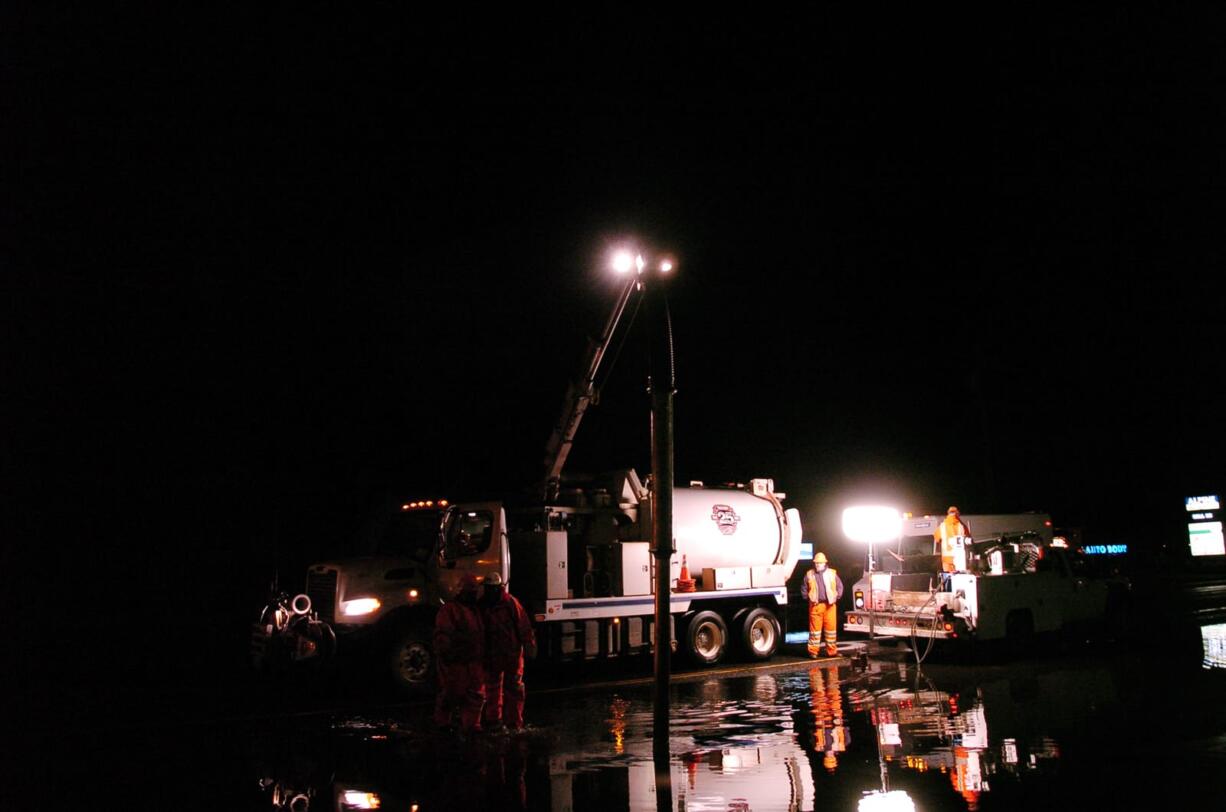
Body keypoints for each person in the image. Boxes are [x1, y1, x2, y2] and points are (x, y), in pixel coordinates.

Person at [479, 571, 537, 732]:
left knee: (512, 689)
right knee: (493, 690)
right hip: (494, 654)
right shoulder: (486, 605)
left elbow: (523, 626)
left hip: (510, 655)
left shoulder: (509, 603)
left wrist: (529, 646)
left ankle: (513, 723)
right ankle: (494, 721)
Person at [433, 574, 486, 735]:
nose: (473, 594)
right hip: (457, 660)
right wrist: (448, 655)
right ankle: (442, 724)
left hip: (472, 660)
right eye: (470, 591)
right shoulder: (450, 610)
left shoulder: (474, 609)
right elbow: (443, 635)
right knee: (452, 693)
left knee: (475, 695)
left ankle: (471, 726)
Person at [804, 552, 843, 658]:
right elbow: (804, 588)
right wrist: (808, 597)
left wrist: (837, 597)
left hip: (830, 606)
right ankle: (813, 652)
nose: (817, 565)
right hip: (816, 606)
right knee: (815, 632)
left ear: (824, 563)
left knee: (831, 631)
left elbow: (840, 586)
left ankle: (831, 652)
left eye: (819, 563)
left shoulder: (832, 573)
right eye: (816, 563)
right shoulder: (809, 574)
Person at [933, 506, 972, 589]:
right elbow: (969, 540)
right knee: (960, 580)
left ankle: (948, 594)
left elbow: (936, 538)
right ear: (957, 513)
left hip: (947, 560)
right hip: (959, 559)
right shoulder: (962, 526)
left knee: (948, 579)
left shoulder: (942, 526)